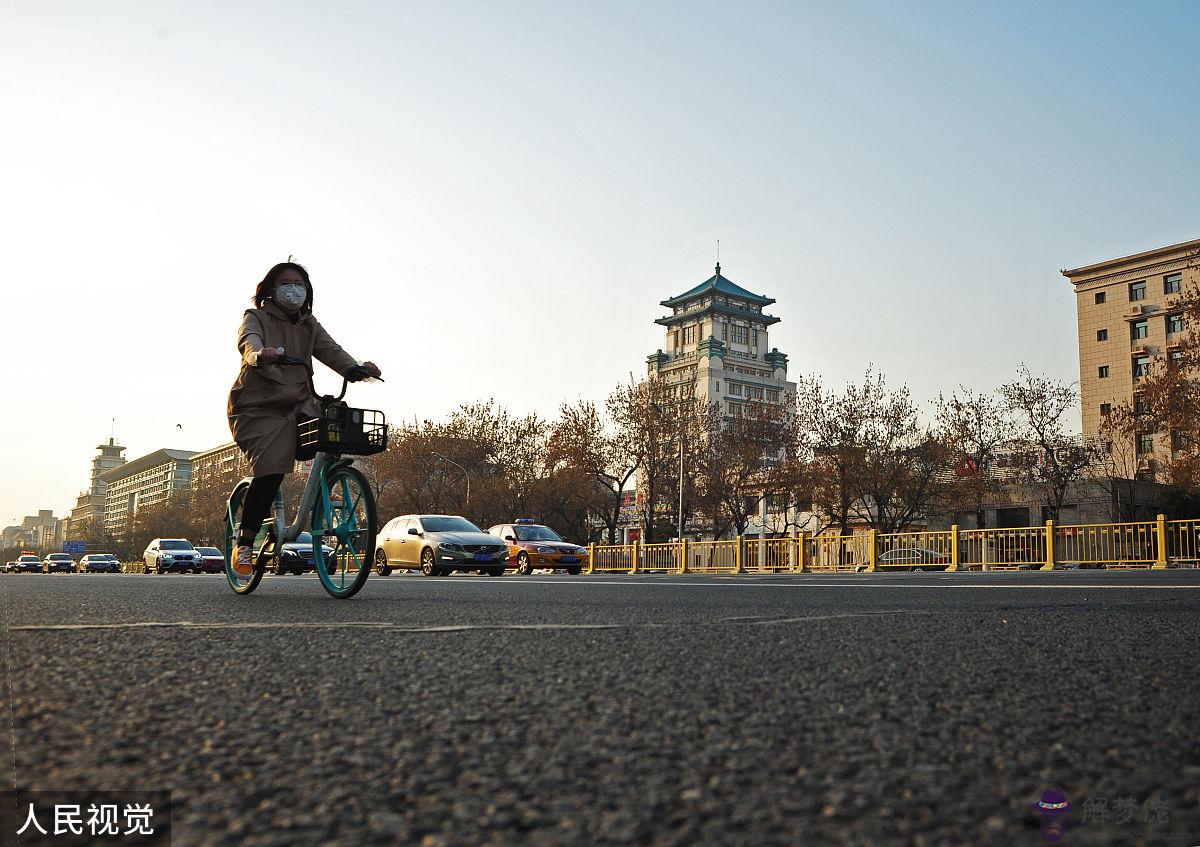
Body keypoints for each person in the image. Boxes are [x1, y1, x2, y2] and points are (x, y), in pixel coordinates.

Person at [227, 261, 381, 578]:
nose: (293, 289)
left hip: (298, 402)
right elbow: (248, 340)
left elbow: (331, 350)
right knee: (271, 468)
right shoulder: (255, 316)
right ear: (271, 288)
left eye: (299, 284)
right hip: (258, 406)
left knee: (336, 423)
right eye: (286, 283)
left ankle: (329, 487)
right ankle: (244, 543)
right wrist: (259, 354)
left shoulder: (308, 323)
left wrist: (356, 369)